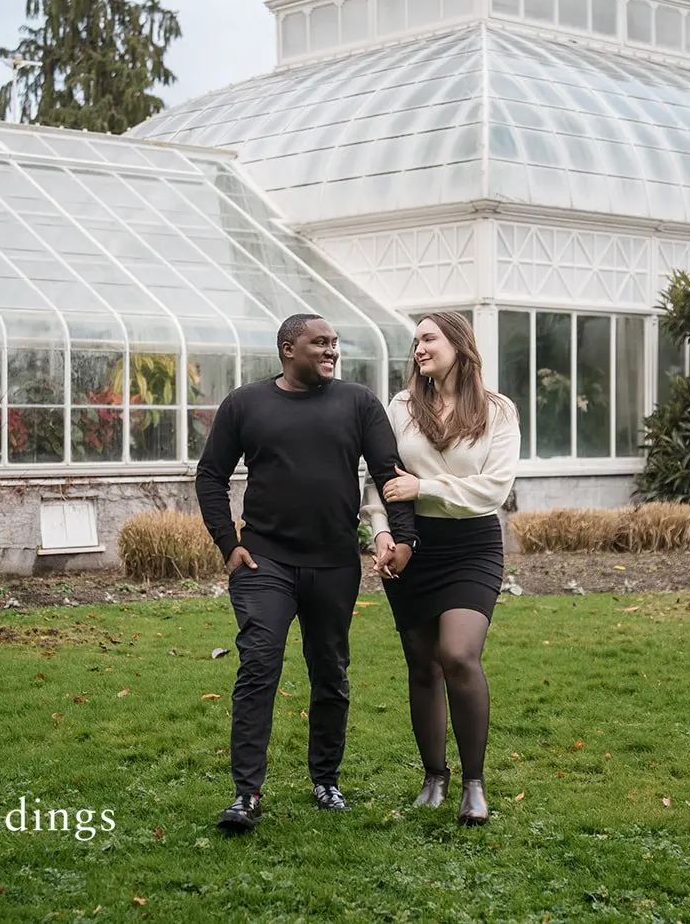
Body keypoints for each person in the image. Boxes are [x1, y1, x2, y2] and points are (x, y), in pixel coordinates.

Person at [195, 313, 417, 833]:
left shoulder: (358, 403)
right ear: (288, 349)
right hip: (264, 561)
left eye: (335, 344)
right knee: (259, 667)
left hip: (335, 563)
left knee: (330, 672)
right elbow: (211, 475)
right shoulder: (246, 404)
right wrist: (228, 543)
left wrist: (404, 538)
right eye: (320, 343)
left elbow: (390, 474)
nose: (331, 351)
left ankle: (326, 780)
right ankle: (246, 794)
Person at [362, 312, 520, 825]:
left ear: (459, 343)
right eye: (415, 342)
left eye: (428, 339)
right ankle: (434, 776)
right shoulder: (402, 407)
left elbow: (494, 489)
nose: (419, 349)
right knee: (421, 662)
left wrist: (425, 487)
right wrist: (382, 531)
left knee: (458, 654)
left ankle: (474, 783)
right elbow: (380, 477)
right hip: (412, 546)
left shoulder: (497, 411)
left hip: (472, 545)